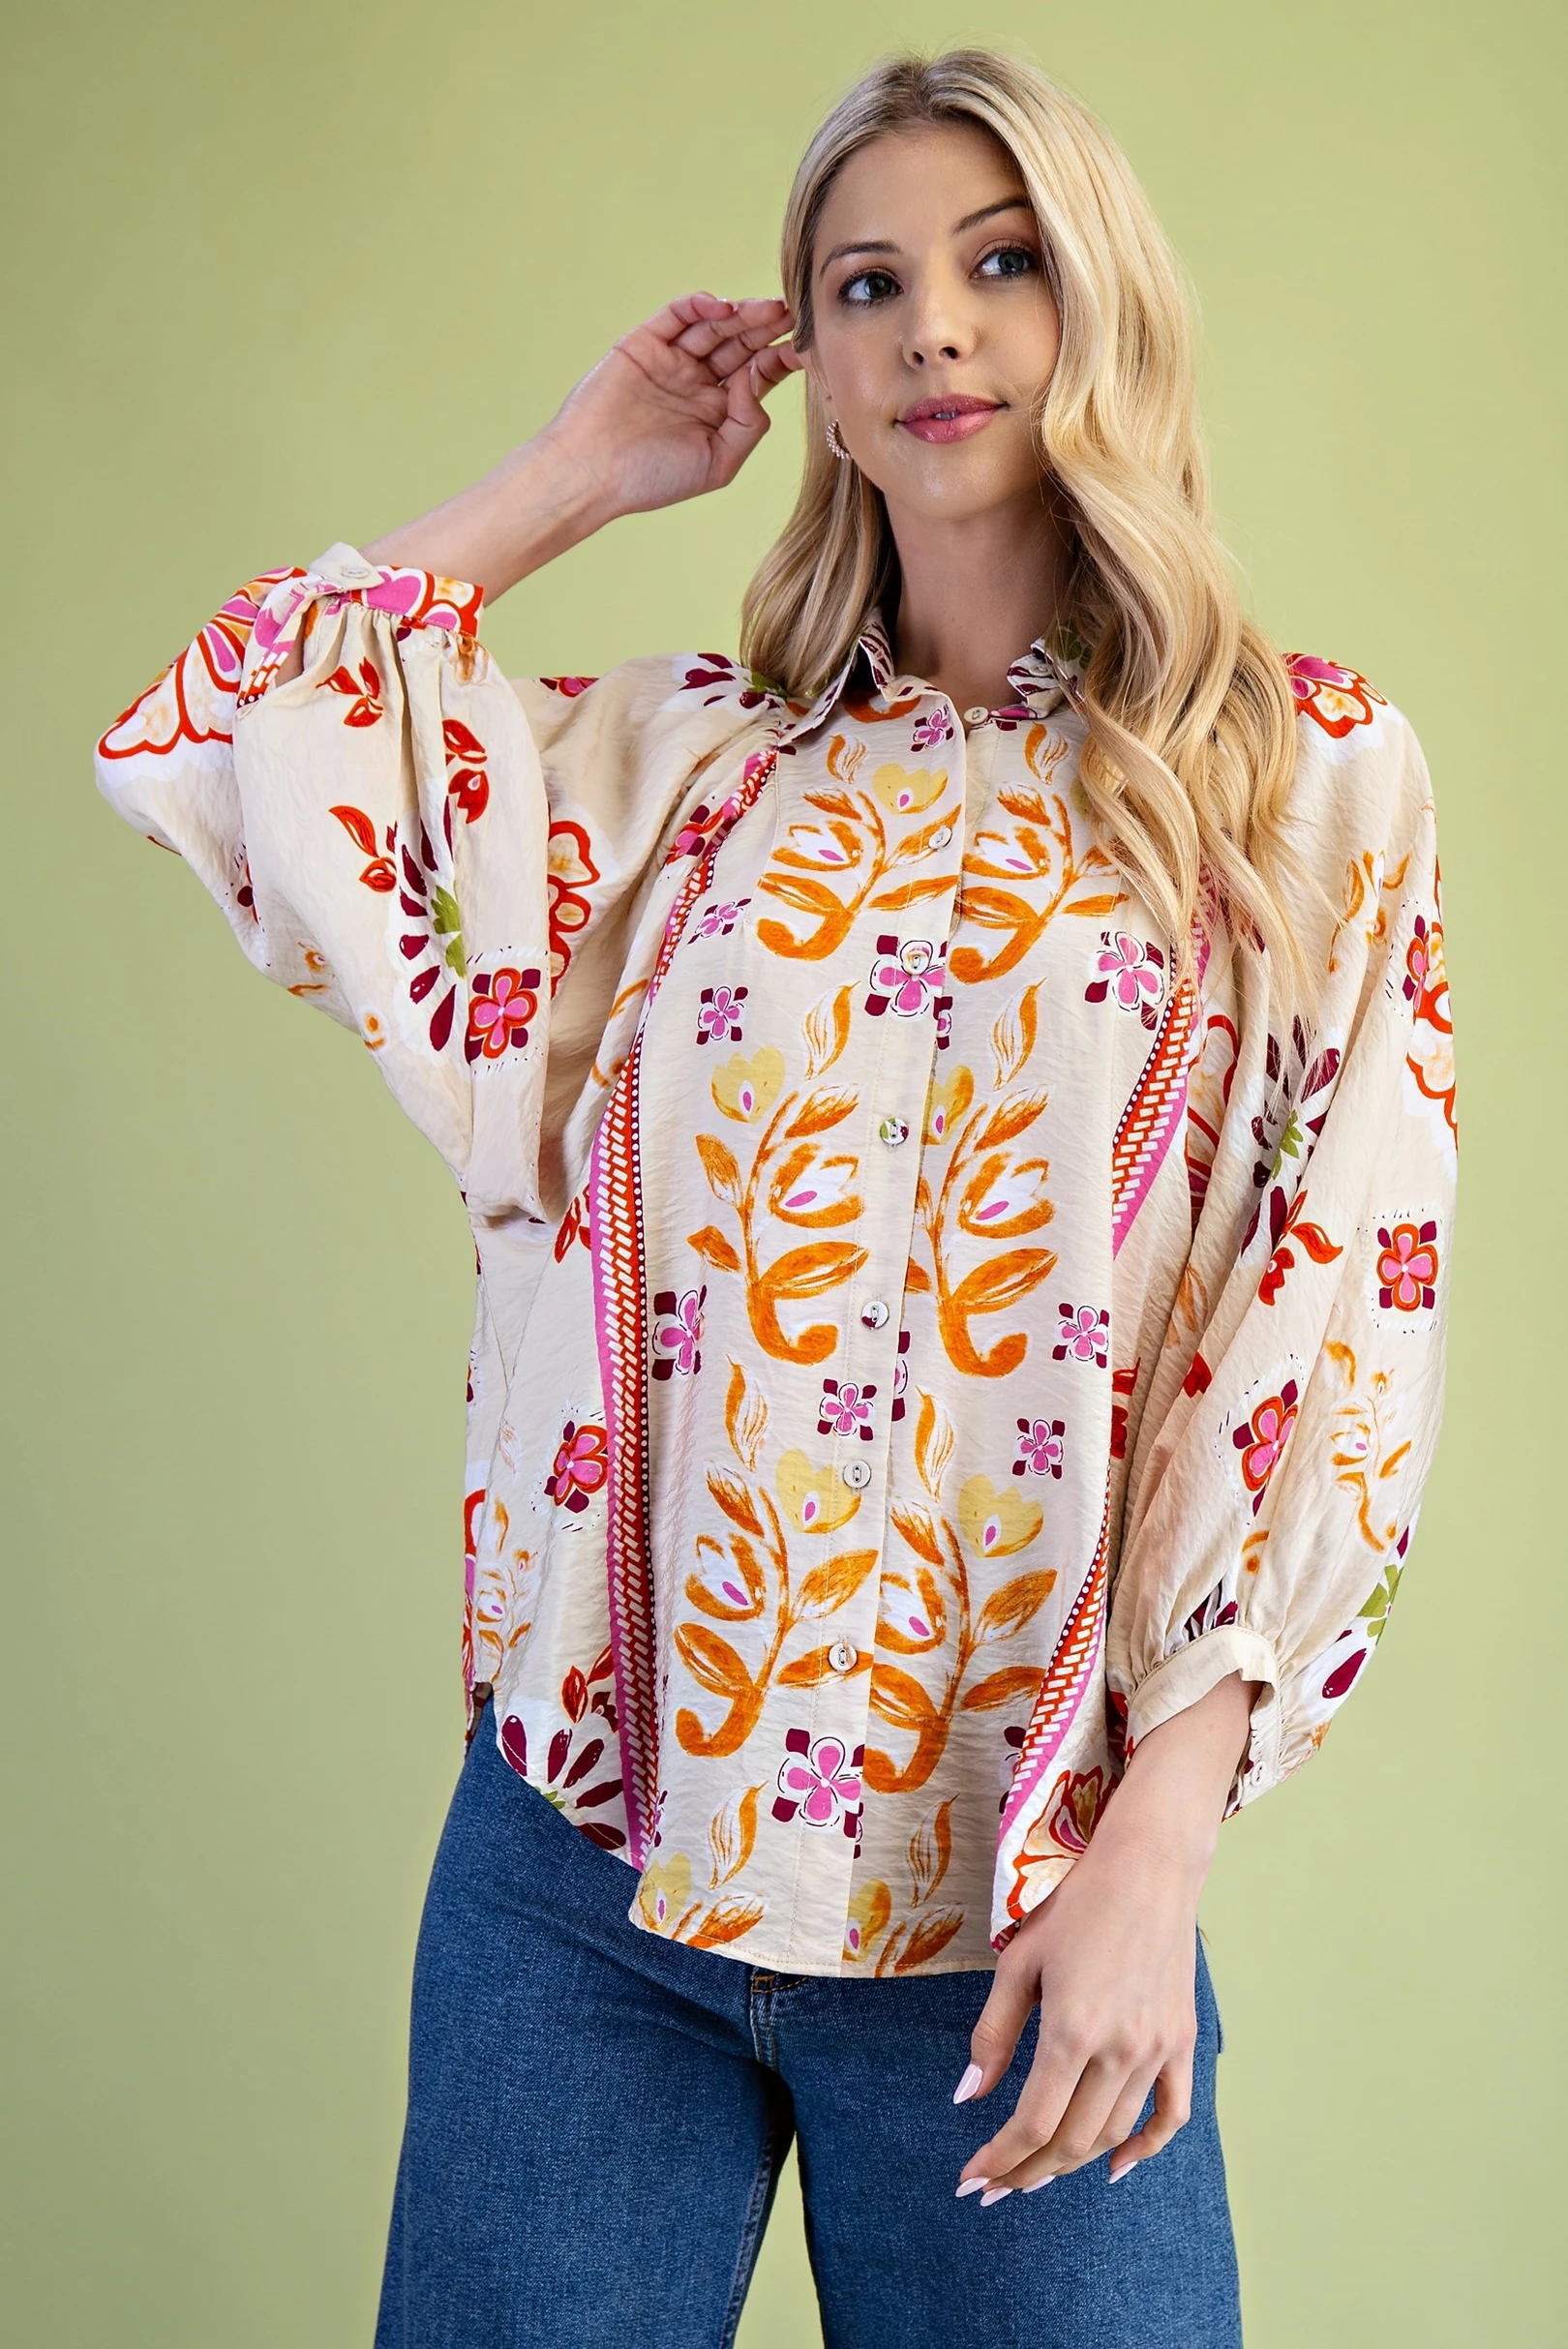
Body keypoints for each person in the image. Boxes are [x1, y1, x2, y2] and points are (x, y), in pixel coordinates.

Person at [94, 46, 1454, 2349]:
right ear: (812, 360)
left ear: (1099, 301)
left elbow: (1328, 1325)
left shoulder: (1296, 781)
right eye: (868, 285)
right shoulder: (674, 773)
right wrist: (578, 471)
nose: (939, 328)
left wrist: (1158, 1851)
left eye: (1003, 262)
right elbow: (231, 740)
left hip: (1018, 1893)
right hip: (582, 1884)